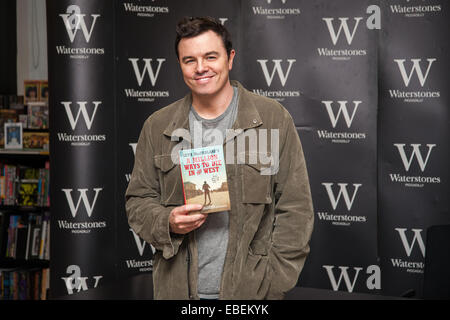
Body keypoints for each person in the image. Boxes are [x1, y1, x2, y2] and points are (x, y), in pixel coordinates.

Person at [125, 16, 314, 300]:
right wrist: (167, 221)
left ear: (230, 58)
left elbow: (296, 207)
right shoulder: (158, 126)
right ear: (180, 64)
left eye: (210, 56)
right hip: (178, 292)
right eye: (189, 60)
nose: (200, 68)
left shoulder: (271, 119)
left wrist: (273, 283)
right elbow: (138, 201)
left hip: (251, 294)